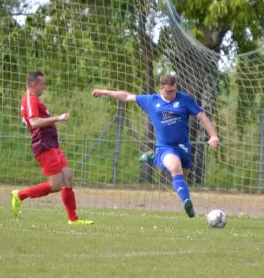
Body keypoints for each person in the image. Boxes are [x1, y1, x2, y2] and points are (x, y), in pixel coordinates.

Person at [92, 74, 219, 218]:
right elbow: (127, 97)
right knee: (174, 167)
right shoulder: (152, 100)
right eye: (169, 91)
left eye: (174, 91)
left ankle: (153, 158)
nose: (172, 94)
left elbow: (201, 116)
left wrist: (213, 135)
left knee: (182, 178)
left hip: (184, 147)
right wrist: (104, 92)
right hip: (165, 147)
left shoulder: (184, 99)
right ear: (161, 88)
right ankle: (187, 203)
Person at [11, 71, 93, 225]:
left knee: (67, 178)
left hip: (52, 144)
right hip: (43, 145)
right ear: (34, 85)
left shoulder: (34, 99)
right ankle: (20, 195)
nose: (45, 87)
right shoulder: (30, 100)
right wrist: (58, 118)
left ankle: (73, 219)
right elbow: (34, 122)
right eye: (42, 84)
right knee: (55, 185)